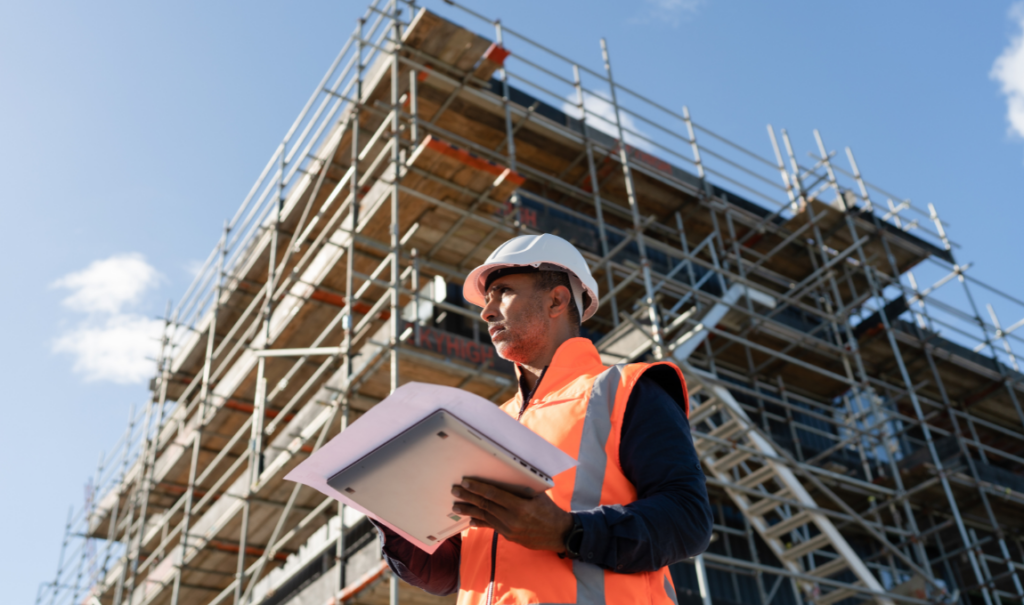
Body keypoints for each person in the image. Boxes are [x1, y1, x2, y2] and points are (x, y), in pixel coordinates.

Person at [371, 233, 712, 604]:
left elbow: (688, 519)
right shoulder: (486, 425)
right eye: (487, 300)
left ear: (556, 300)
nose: (486, 311)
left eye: (502, 292)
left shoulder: (624, 390)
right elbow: (449, 574)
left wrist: (569, 531)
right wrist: (393, 518)